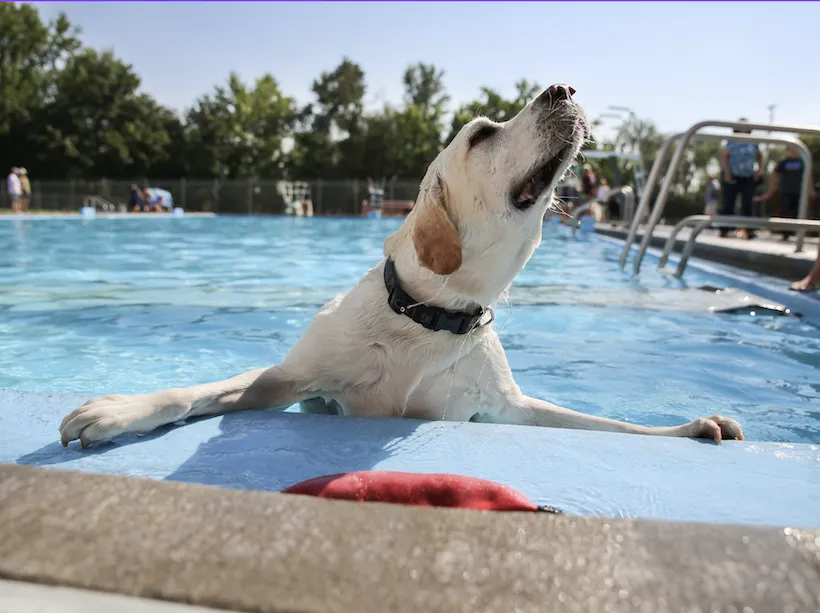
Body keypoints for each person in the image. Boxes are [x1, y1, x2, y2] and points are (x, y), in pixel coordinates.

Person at [756, 146, 815, 240]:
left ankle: (794, 232)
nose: (792, 152)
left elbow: (809, 175)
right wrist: (771, 189)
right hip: (786, 191)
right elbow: (774, 175)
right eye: (790, 150)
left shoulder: (802, 162)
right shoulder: (784, 163)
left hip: (799, 192)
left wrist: (811, 190)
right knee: (785, 211)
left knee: (797, 212)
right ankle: (786, 233)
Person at [720, 118, 763, 240]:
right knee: (728, 202)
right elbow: (725, 156)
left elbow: (759, 155)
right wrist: (727, 173)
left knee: (748, 202)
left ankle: (750, 230)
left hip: (748, 176)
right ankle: (725, 229)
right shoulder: (732, 140)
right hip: (732, 175)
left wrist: (759, 170)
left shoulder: (753, 141)